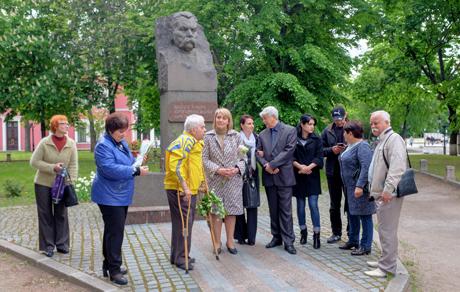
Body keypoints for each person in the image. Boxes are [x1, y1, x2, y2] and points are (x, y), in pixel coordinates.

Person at [91, 112, 149, 285]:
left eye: (125, 131)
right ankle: (114, 271)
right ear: (110, 130)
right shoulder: (103, 146)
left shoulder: (120, 142)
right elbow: (110, 169)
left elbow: (128, 161)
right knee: (115, 233)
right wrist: (136, 170)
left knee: (112, 231)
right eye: (120, 131)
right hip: (109, 196)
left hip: (120, 194)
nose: (124, 134)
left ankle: (108, 264)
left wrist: (138, 159)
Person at [364, 110, 407, 278]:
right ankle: (385, 259)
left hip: (389, 195)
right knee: (383, 230)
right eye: (372, 123)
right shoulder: (383, 139)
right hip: (382, 194)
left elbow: (397, 168)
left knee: (387, 231)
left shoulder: (393, 139)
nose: (373, 126)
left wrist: (388, 190)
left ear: (387, 122)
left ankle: (386, 267)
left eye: (376, 123)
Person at [30, 115, 78, 258]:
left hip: (62, 184)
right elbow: (34, 162)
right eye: (63, 123)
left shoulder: (71, 143)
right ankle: (48, 246)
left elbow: (74, 164)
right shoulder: (45, 143)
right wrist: (52, 167)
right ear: (55, 126)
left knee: (61, 213)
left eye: (67, 123)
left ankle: (62, 244)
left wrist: (71, 181)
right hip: (43, 184)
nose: (66, 125)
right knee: (45, 214)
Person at [164, 114, 206, 270]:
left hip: (186, 189)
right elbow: (176, 165)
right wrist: (185, 188)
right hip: (181, 190)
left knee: (181, 223)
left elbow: (192, 166)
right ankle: (181, 258)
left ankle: (178, 255)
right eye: (202, 127)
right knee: (184, 224)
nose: (204, 129)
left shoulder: (193, 141)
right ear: (194, 129)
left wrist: (198, 184)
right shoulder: (186, 140)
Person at [202, 108, 246, 255]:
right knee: (216, 212)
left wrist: (236, 169)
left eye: (224, 118)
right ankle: (216, 242)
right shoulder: (207, 137)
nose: (220, 120)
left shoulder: (236, 137)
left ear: (228, 121)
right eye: (218, 117)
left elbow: (243, 158)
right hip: (215, 180)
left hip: (232, 180)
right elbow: (204, 159)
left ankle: (230, 242)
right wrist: (218, 169)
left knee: (231, 212)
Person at [257, 106, 297, 255]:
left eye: (264, 118)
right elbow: (258, 152)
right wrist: (266, 165)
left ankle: (289, 241)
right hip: (269, 177)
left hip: (284, 176)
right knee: (273, 209)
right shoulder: (262, 134)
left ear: (273, 117)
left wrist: (272, 164)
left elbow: (289, 151)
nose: (263, 121)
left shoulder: (290, 130)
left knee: (286, 211)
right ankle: (276, 237)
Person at [338, 121, 375, 255]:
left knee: (365, 216)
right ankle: (353, 240)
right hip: (350, 187)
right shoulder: (350, 146)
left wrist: (359, 185)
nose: (343, 135)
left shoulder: (362, 146)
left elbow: (366, 167)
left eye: (345, 132)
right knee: (352, 213)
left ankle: (366, 246)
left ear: (351, 133)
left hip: (360, 189)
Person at [293, 114, 323, 249]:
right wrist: (300, 167)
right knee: (300, 206)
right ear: (302, 124)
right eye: (309, 124)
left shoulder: (317, 139)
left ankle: (317, 235)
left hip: (312, 176)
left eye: (313, 124)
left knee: (313, 205)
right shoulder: (294, 138)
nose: (312, 127)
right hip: (298, 176)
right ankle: (303, 232)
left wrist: (308, 168)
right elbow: (290, 156)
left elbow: (319, 157)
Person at [321, 105, 349, 243]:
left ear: (345, 116)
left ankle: (352, 233)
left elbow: (360, 146)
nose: (339, 122)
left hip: (349, 172)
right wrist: (332, 150)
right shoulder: (327, 131)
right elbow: (320, 150)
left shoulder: (352, 128)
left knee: (350, 203)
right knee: (334, 204)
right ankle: (336, 232)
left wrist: (346, 149)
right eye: (336, 119)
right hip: (333, 172)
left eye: (341, 119)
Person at [234, 115, 259, 246]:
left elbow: (260, 153)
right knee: (239, 205)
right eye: (249, 123)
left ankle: (252, 236)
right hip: (240, 174)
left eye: (252, 123)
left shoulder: (257, 138)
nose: (252, 125)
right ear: (242, 125)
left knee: (252, 204)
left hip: (253, 174)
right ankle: (240, 236)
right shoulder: (237, 138)